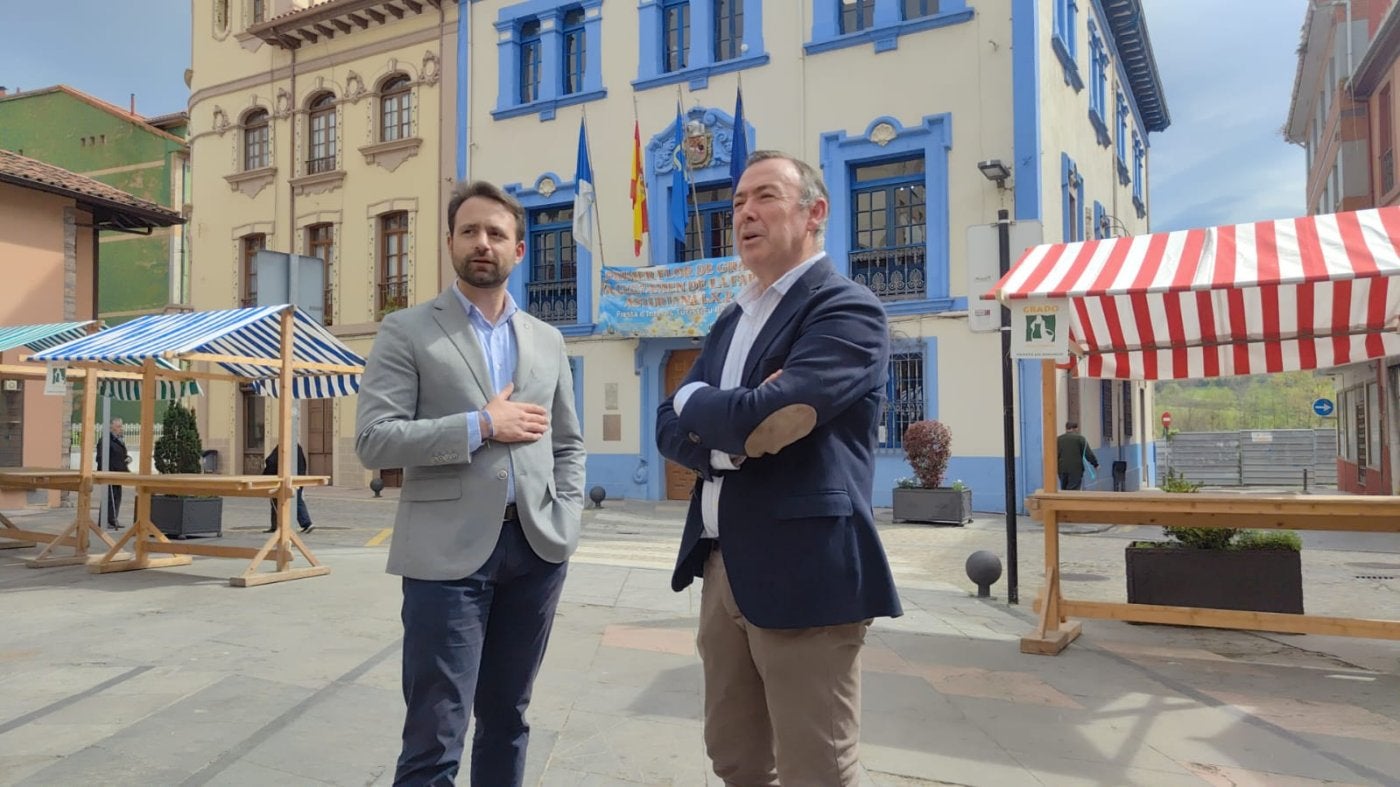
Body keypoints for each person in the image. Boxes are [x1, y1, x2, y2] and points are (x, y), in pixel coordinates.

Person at [655, 150, 902, 786]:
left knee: (814, 767)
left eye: (764, 196)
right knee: (734, 758)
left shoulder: (846, 309)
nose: (744, 213)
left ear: (814, 212)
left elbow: (772, 416)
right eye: (737, 202)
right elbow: (670, 424)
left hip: (806, 572)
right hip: (719, 564)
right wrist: (721, 428)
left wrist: (706, 408)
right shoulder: (733, 318)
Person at [355, 179, 585, 787]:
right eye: (470, 231)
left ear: (519, 249)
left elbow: (568, 442)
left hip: (535, 551)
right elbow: (375, 439)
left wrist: (566, 520)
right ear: (450, 242)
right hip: (444, 558)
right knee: (436, 728)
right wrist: (481, 424)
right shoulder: (407, 331)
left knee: (509, 718)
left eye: (496, 233)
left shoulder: (548, 339)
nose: (482, 243)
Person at [262, 442, 313, 533]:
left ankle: (306, 523)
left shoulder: (283, 446)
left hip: (285, 479)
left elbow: (271, 461)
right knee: (296, 499)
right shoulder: (297, 448)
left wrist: (266, 475)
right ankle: (305, 523)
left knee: (281, 499)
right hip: (298, 477)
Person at [96, 418, 129, 529]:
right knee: (108, 497)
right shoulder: (105, 440)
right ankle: (104, 520)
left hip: (118, 473)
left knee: (116, 496)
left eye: (121, 426)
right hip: (110, 472)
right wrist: (104, 471)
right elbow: (100, 457)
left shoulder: (119, 440)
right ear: (112, 427)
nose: (121, 428)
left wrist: (126, 459)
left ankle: (113, 519)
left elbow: (120, 454)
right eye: (119, 426)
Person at [1056, 420, 1098, 490]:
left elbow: (1055, 454)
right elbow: (1088, 454)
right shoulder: (1080, 439)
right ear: (1075, 429)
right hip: (1076, 469)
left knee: (1064, 490)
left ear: (1066, 428)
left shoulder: (1058, 439)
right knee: (1073, 491)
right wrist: (1095, 464)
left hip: (1062, 469)